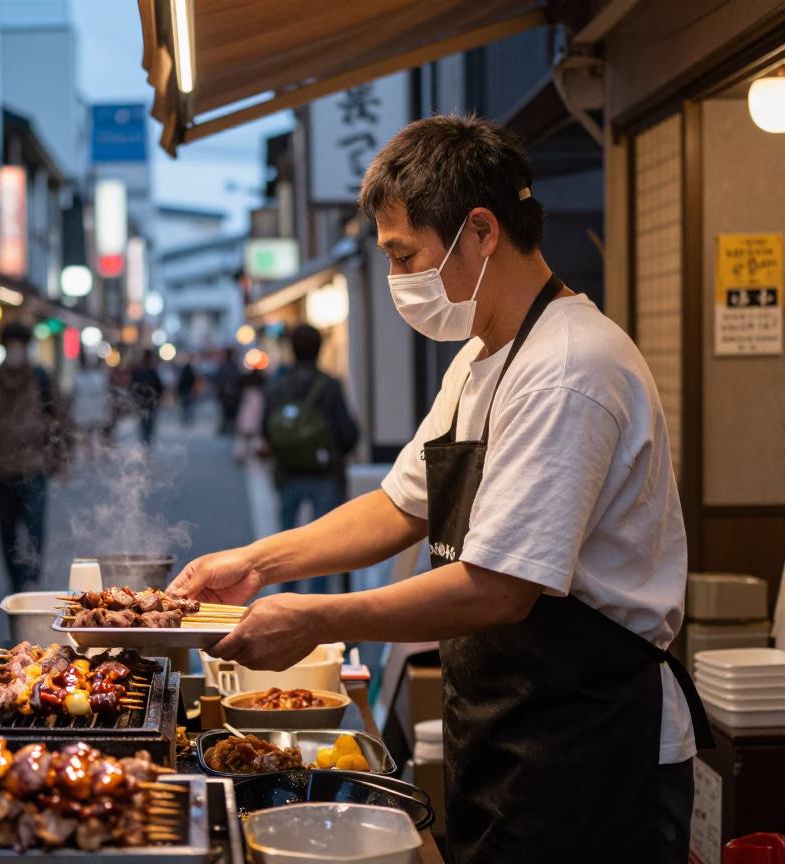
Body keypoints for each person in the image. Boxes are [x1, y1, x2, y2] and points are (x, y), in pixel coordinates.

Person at [168, 115, 713, 864]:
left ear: (481, 231)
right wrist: (258, 565)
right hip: (510, 725)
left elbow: (498, 590)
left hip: (593, 744)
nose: (398, 281)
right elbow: (399, 506)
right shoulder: (480, 359)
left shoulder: (568, 369)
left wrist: (315, 619)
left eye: (405, 255)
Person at [0, 322, 65, 593]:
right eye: (11, 345)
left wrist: (61, 460)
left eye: (20, 345)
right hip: (1, 468)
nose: (15, 351)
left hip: (34, 466)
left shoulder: (42, 378)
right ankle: (17, 582)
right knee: (7, 531)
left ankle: (30, 579)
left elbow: (58, 419)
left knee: (35, 529)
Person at [263, 324, 359, 593]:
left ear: (292, 349)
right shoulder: (329, 385)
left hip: (287, 472)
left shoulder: (278, 385)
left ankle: (286, 601)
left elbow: (265, 428)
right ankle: (315, 605)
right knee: (322, 545)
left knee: (285, 543)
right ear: (320, 349)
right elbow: (348, 432)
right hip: (324, 474)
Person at [70, 352, 112, 465]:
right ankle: (90, 456)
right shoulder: (96, 375)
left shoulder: (98, 375)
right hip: (88, 409)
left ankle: (97, 455)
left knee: (94, 434)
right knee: (88, 434)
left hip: (93, 409)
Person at [130, 350, 164, 445]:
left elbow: (132, 386)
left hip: (143, 402)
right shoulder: (151, 372)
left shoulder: (140, 371)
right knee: (148, 423)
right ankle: (146, 440)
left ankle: (145, 440)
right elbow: (159, 387)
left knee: (145, 422)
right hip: (149, 403)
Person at [233, 366, 266, 463]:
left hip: (247, 408)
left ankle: (242, 453)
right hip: (254, 408)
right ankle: (252, 454)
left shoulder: (246, 384)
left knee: (244, 434)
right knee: (253, 434)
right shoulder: (259, 388)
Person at [213, 348, 242, 435]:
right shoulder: (233, 367)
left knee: (226, 412)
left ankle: (227, 427)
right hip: (231, 395)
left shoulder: (225, 367)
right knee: (229, 412)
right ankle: (228, 427)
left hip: (226, 395)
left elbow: (217, 379)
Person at [177, 359, 199, 426]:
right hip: (188, 391)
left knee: (185, 406)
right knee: (189, 406)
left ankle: (185, 418)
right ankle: (188, 418)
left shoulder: (183, 372)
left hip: (184, 391)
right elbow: (193, 381)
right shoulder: (191, 372)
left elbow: (180, 383)